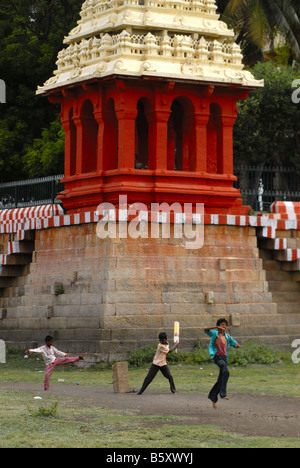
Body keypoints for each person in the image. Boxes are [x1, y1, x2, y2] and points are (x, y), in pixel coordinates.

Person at [204, 319, 241, 409]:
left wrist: (237, 345)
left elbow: (233, 342)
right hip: (217, 357)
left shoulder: (227, 336)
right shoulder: (214, 333)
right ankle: (223, 394)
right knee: (225, 371)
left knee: (222, 377)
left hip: (224, 358)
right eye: (222, 325)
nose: (223, 326)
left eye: (225, 325)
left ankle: (213, 398)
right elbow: (205, 329)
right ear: (218, 326)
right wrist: (216, 327)